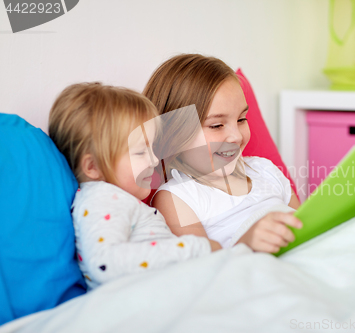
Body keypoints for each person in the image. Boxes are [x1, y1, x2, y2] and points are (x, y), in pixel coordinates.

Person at [48, 82, 221, 290]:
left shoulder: (115, 200)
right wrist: (197, 248)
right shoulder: (103, 198)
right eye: (140, 152)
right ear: (93, 166)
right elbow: (104, 264)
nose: (155, 160)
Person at [144, 54, 303, 253]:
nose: (236, 136)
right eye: (217, 125)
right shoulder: (178, 198)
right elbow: (205, 272)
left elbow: (307, 229)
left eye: (242, 119)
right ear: (173, 133)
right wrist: (245, 245)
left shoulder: (266, 171)